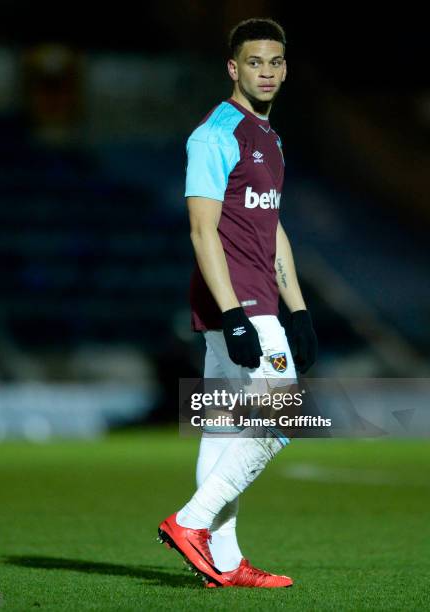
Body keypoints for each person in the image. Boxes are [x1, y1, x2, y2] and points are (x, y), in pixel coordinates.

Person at [157, 18, 318, 588]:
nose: (267, 71)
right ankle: (191, 522)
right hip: (235, 301)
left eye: (275, 62)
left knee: (224, 429)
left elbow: (270, 227)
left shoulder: (269, 137)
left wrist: (296, 308)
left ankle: (222, 563)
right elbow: (203, 232)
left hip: (257, 300)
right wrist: (234, 314)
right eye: (255, 62)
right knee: (281, 416)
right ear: (233, 68)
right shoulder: (215, 133)